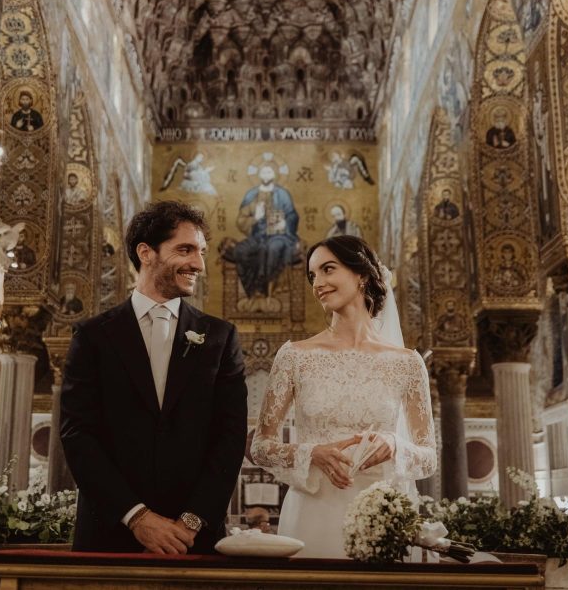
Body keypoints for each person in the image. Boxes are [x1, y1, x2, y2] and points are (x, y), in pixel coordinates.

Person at [61, 201, 247, 554]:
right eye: (185, 249)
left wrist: (191, 521)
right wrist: (137, 517)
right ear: (145, 252)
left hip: (194, 538)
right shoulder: (93, 336)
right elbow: (78, 434)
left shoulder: (220, 338)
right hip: (110, 533)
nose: (199, 264)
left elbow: (231, 436)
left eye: (201, 252)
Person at [250, 236, 436, 558]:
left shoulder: (407, 363)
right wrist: (312, 453)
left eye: (328, 270)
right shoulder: (295, 356)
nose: (318, 283)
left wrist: (395, 444)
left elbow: (428, 456)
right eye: (313, 275)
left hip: (383, 514)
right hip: (313, 511)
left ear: (361, 274)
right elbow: (261, 446)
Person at [225, 164, 300, 299]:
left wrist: (286, 223)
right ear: (259, 175)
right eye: (263, 172)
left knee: (272, 249)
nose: (266, 174)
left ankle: (266, 287)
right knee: (240, 251)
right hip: (257, 236)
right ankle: (252, 290)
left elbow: (292, 215)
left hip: (279, 236)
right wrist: (255, 218)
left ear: (274, 174)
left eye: (269, 171)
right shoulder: (251, 195)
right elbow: (241, 221)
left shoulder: (282, 194)